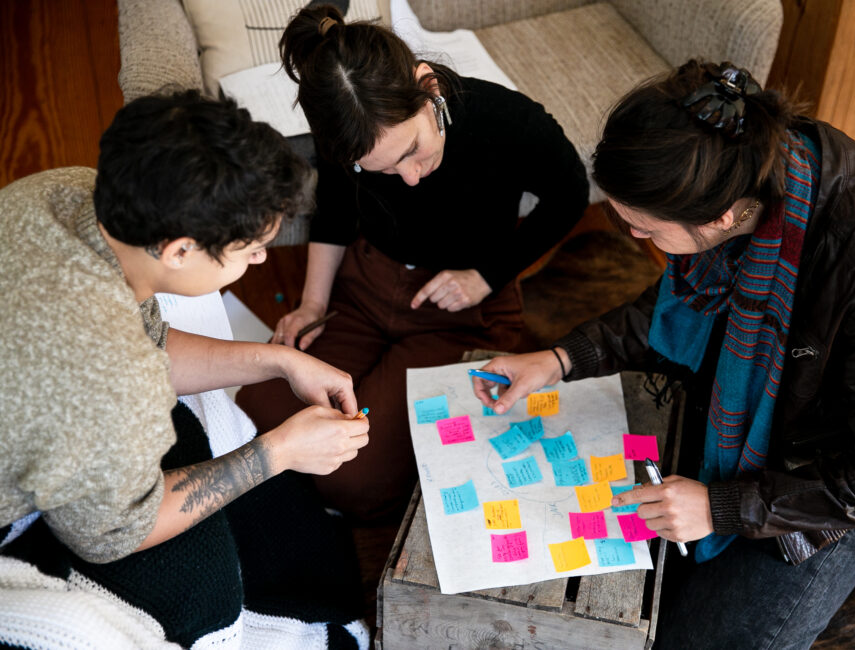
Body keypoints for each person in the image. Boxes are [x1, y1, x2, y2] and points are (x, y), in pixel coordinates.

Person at [470, 60, 855, 648]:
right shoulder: (745, 162)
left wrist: (724, 506)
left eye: (646, 231)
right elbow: (678, 297)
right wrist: (560, 358)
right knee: (599, 567)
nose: (634, 240)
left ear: (722, 218)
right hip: (742, 412)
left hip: (823, 489)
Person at [0, 90, 371, 648]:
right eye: (251, 249)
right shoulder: (108, 371)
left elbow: (148, 342)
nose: (262, 260)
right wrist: (276, 453)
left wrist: (279, 361)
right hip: (55, 513)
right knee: (208, 592)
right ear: (178, 251)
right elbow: (117, 533)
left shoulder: (65, 189)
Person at [235, 4, 589, 523]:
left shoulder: (507, 120)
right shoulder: (347, 136)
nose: (411, 178)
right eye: (383, 167)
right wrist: (313, 303)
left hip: (461, 307)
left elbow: (571, 195)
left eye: (415, 150)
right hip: (364, 287)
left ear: (429, 90)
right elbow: (334, 210)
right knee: (254, 415)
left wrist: (486, 276)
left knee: (353, 480)